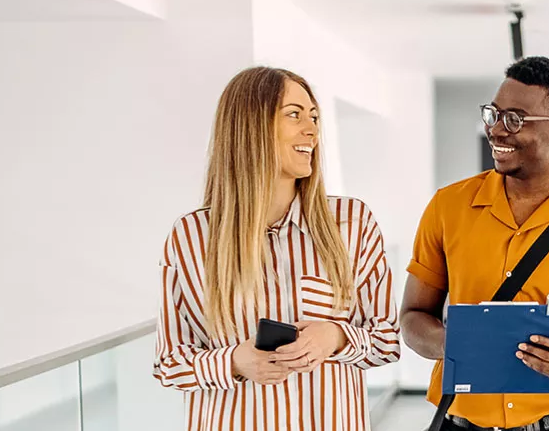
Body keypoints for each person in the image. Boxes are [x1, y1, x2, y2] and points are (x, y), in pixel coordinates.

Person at [153, 67, 400, 431]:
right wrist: (235, 362)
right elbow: (169, 362)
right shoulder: (192, 235)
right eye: (294, 115)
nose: (312, 130)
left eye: (314, 117)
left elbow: (387, 340)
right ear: (250, 126)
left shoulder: (352, 222)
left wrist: (334, 336)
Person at [401, 56, 549, 431]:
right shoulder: (448, 206)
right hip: (459, 422)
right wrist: (457, 345)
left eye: (514, 119)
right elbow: (413, 317)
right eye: (493, 114)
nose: (496, 130)